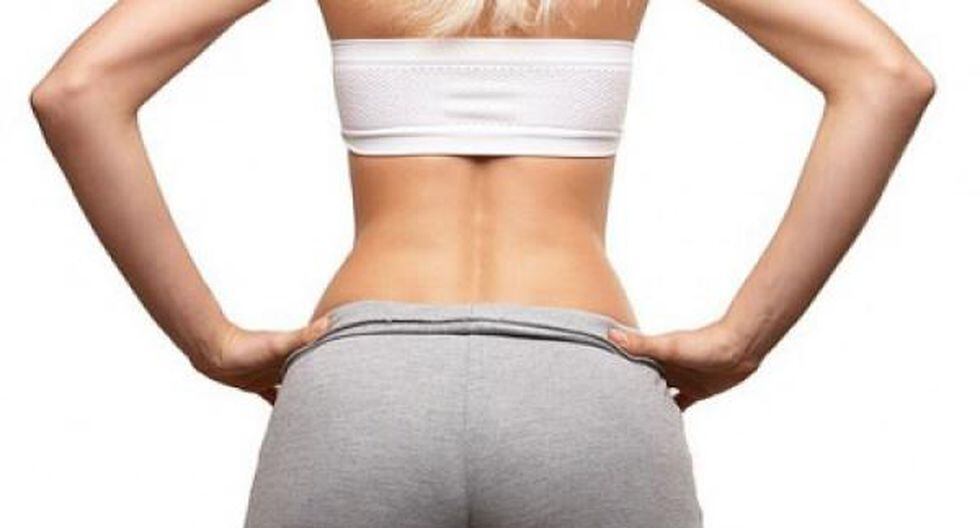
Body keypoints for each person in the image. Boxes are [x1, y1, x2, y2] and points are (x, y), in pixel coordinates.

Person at [31, 1, 933, 526]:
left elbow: (78, 90)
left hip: (363, 390)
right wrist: (744, 338)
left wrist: (212, 341)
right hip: (583, 388)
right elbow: (887, 78)